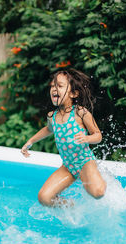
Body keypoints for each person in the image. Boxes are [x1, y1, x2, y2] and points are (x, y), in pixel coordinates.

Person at [21, 68, 106, 207]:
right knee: (44, 197)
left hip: (85, 162)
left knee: (98, 193)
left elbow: (98, 136)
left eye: (59, 86)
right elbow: (48, 129)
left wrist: (87, 139)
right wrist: (30, 141)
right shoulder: (52, 116)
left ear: (73, 93)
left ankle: (103, 183)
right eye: (53, 86)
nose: (54, 89)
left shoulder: (80, 113)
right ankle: (72, 206)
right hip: (68, 166)